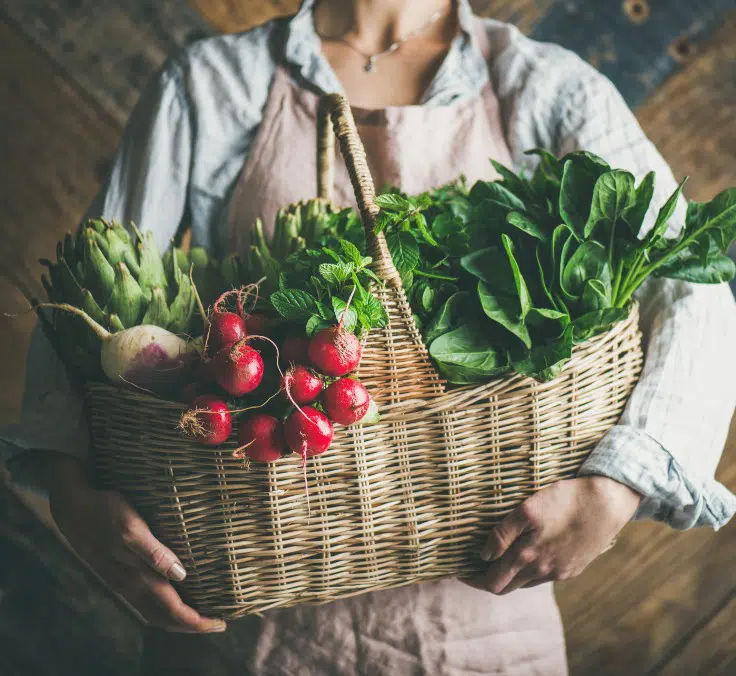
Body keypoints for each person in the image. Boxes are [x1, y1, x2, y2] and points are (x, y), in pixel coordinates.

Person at [2, 0, 735, 673]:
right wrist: (72, 491)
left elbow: (692, 286)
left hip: (484, 629)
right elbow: (90, 312)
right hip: (246, 630)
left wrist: (618, 487)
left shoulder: (548, 89)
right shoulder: (211, 84)